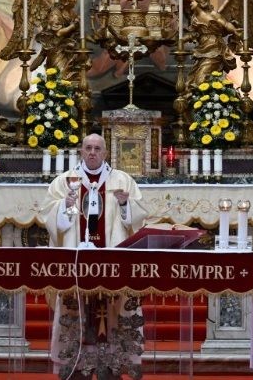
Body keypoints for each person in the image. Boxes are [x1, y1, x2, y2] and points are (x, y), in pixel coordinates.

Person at [39, 133, 148, 380]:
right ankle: (76, 364)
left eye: (97, 148)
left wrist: (124, 205)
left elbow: (138, 220)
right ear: (81, 151)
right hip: (76, 264)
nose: (92, 152)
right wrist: (64, 205)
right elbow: (49, 217)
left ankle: (113, 363)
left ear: (106, 153)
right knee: (75, 309)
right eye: (87, 147)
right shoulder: (64, 182)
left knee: (114, 311)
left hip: (113, 264)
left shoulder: (122, 180)